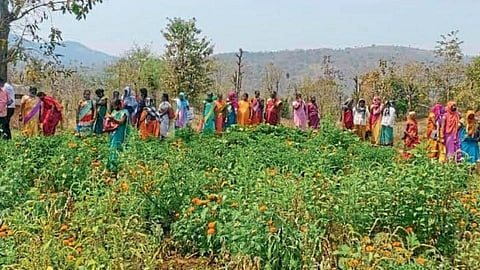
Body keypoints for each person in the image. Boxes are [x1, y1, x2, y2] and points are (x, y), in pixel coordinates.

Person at [106, 99, 129, 171]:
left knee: (117, 147)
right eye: (113, 106)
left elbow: (122, 122)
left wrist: (113, 119)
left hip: (119, 132)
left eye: (115, 106)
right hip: (112, 133)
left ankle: (117, 166)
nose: (114, 107)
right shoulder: (114, 112)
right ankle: (111, 165)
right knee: (112, 147)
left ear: (119, 105)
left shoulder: (124, 112)